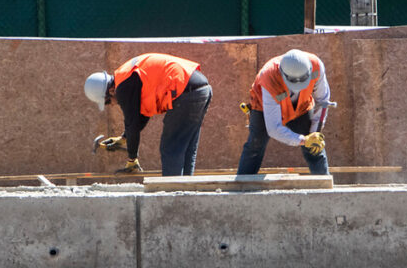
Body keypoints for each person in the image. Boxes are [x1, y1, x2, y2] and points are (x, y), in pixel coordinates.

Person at [84, 53, 212, 175]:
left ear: (111, 91)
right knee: (186, 147)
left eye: (107, 102)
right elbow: (141, 114)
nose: (111, 105)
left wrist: (132, 159)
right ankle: (186, 188)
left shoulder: (123, 88)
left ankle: (173, 189)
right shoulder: (127, 76)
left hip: (185, 91)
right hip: (200, 89)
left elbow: (133, 124)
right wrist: (124, 138)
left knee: (171, 148)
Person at [237, 49, 330, 175]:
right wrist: (303, 140)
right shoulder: (269, 76)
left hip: (301, 106)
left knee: (315, 147)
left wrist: (314, 134)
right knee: (255, 145)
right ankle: (243, 184)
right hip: (263, 108)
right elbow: (274, 128)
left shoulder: (316, 66)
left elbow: (322, 101)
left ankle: (323, 183)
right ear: (283, 74)